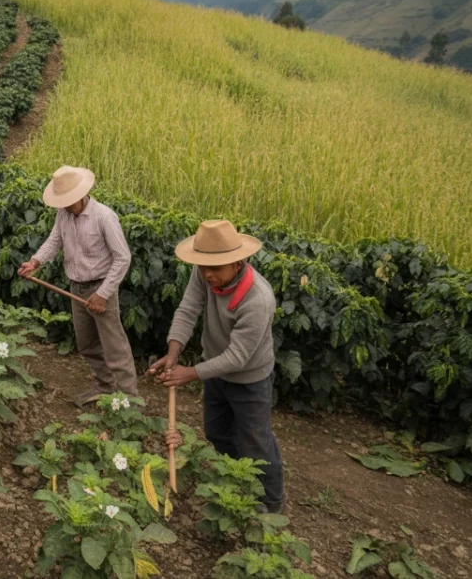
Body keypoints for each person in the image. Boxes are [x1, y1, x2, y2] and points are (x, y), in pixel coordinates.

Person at [150, 219, 284, 512]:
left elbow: (238, 358)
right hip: (214, 372)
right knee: (218, 433)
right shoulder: (205, 274)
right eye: (203, 267)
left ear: (238, 263)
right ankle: (236, 486)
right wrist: (174, 353)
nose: (207, 274)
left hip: (250, 380)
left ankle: (271, 508)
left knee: (257, 446)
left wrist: (190, 373)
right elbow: (187, 310)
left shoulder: (258, 299)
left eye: (215, 268)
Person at [18, 166, 137, 405]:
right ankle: (105, 388)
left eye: (68, 200)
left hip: (101, 287)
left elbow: (123, 258)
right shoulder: (63, 214)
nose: (65, 205)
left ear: (81, 194)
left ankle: (129, 402)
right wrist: (35, 261)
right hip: (76, 288)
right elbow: (55, 240)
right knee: (87, 344)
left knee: (115, 348)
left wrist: (102, 294)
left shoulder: (104, 217)